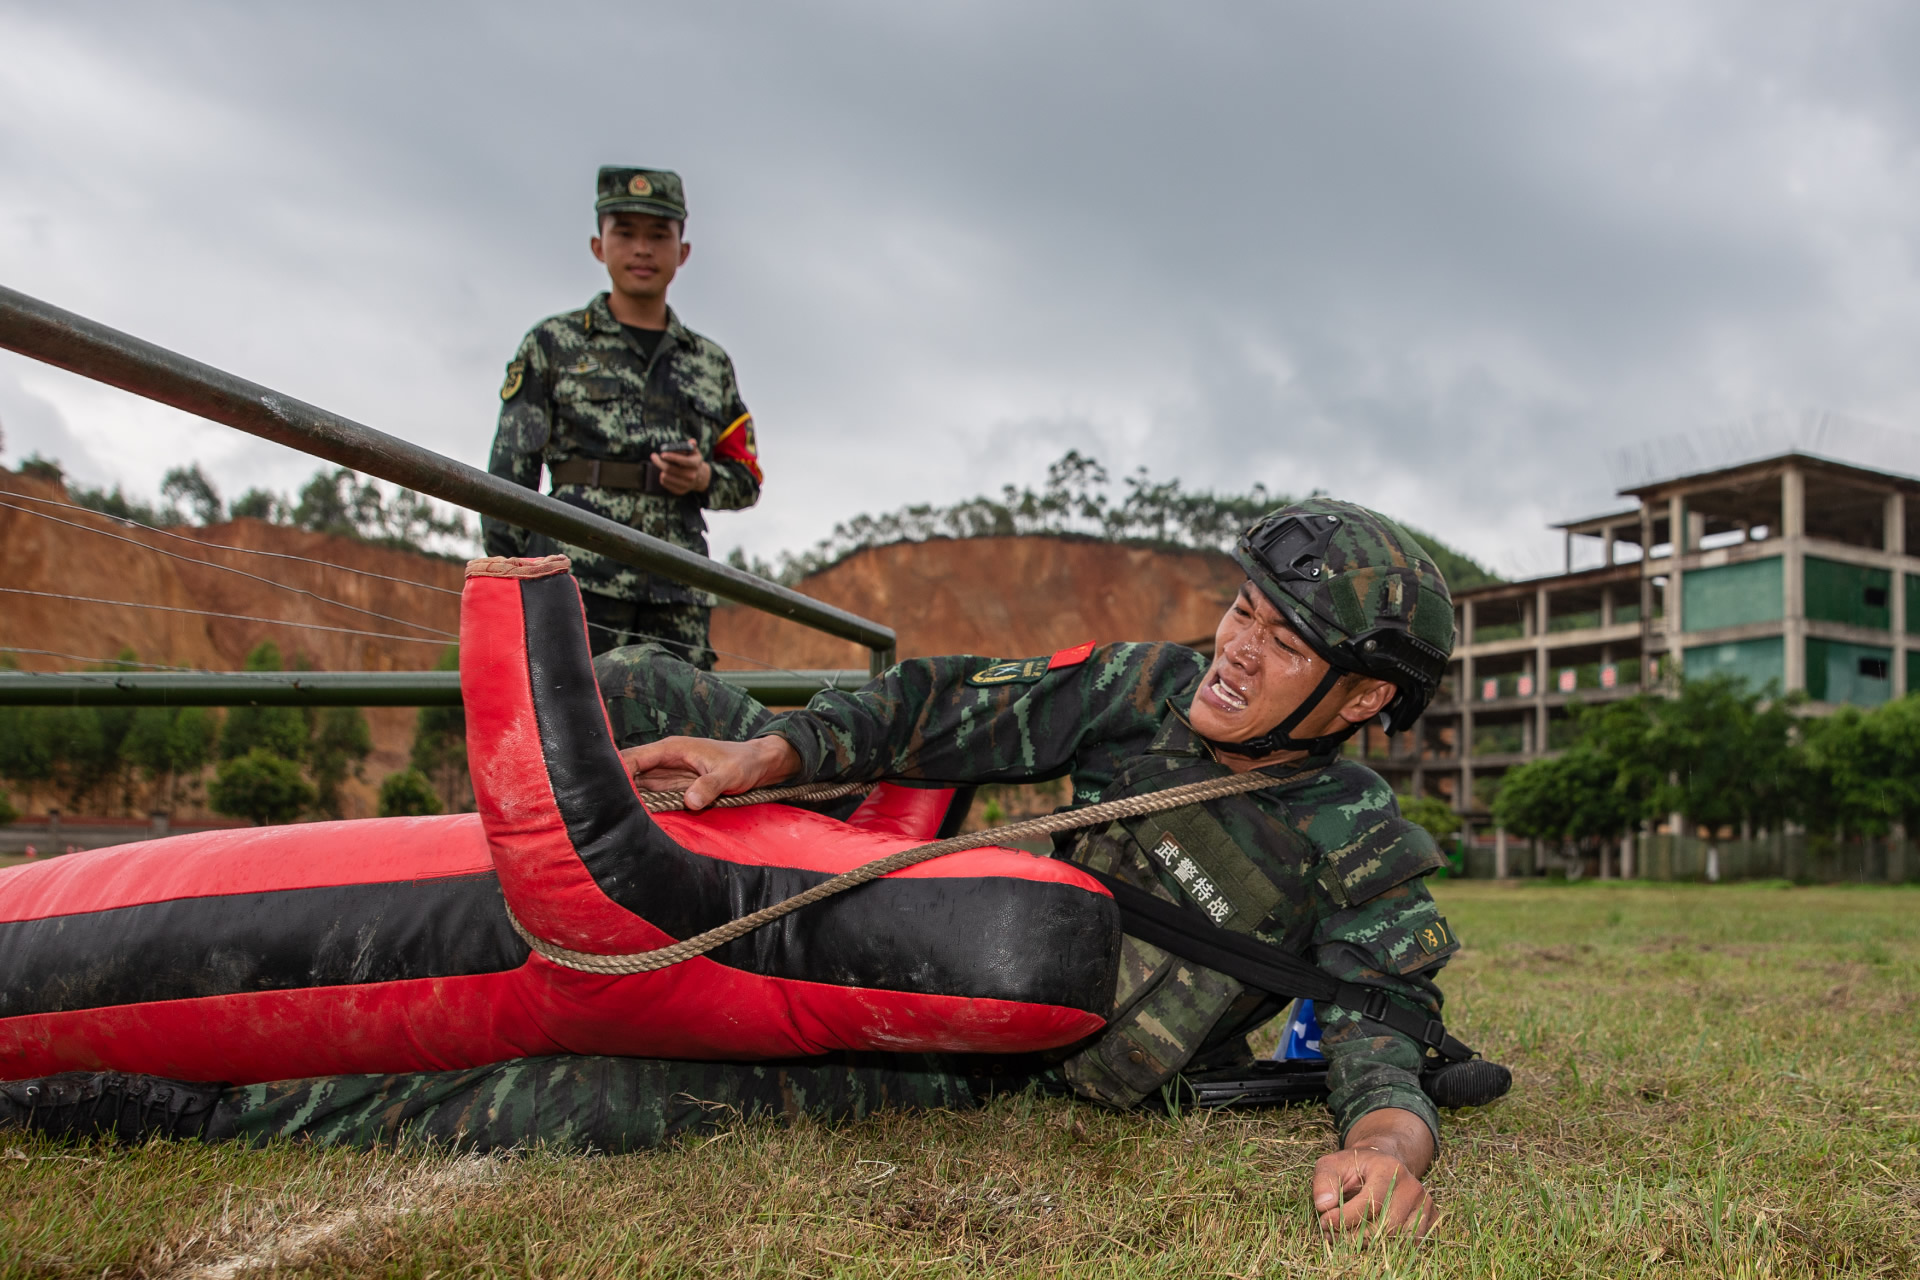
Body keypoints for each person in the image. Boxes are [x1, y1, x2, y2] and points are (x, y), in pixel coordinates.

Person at [2, 499, 1463, 1238]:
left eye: (1284, 639)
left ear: (1361, 703)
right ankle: (482, 906)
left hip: (932, 1046)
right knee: (637, 696)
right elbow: (939, 706)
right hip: (859, 876)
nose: (1234, 640)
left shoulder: (1370, 851)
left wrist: (1386, 1144)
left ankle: (122, 1096)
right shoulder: (1152, 684)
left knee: (547, 1108)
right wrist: (772, 761)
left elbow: (1385, 1021)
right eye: (1241, 603)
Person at [481, 165, 762, 668]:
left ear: (684, 251)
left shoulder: (710, 363)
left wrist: (702, 477)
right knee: (571, 735)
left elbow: (746, 479)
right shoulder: (553, 344)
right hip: (573, 583)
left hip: (676, 591)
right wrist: (516, 586)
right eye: (625, 232)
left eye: (659, 235)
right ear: (598, 245)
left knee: (680, 738)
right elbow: (508, 482)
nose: (642, 249)